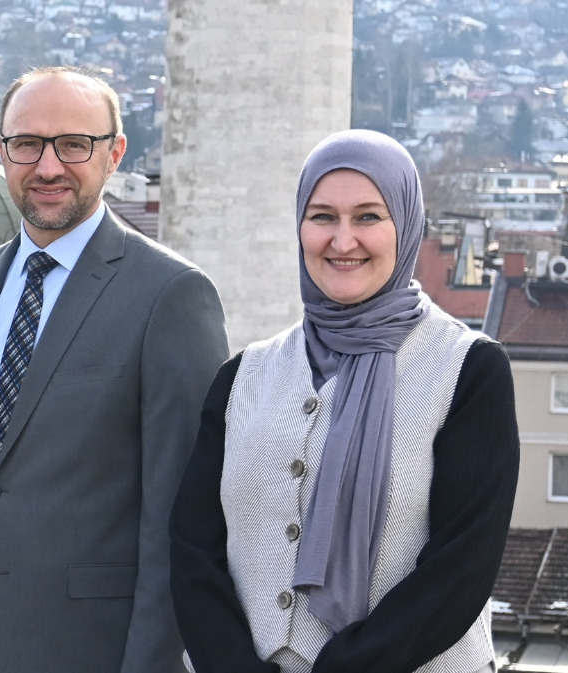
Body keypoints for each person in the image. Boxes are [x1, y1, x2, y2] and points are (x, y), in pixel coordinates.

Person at [0, 67, 229, 673]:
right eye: (27, 144)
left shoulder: (171, 296)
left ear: (114, 153)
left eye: (74, 145)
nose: (48, 166)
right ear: (2, 152)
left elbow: (182, 526)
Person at [169, 130, 519, 673]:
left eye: (368, 217)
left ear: (405, 227)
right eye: (323, 216)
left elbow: (462, 565)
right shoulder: (242, 375)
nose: (342, 240)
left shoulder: (468, 370)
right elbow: (194, 552)